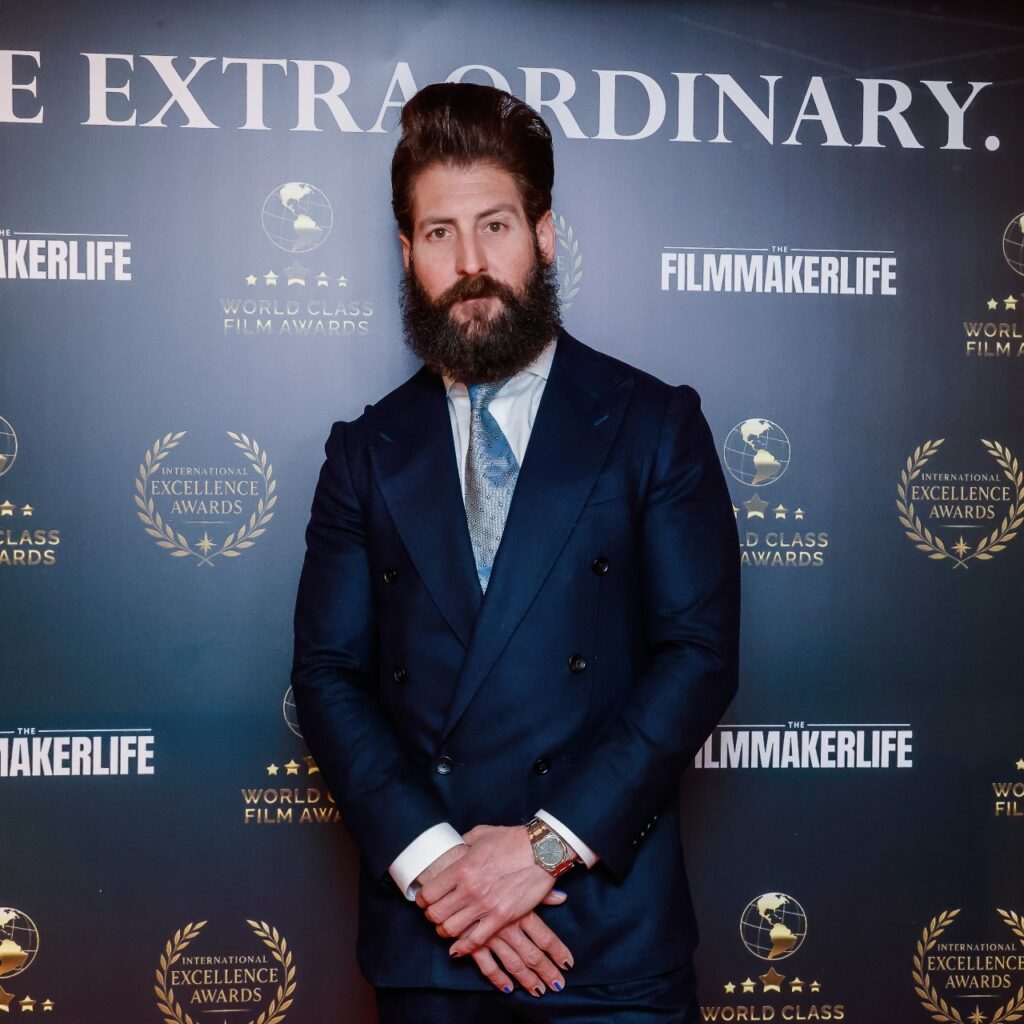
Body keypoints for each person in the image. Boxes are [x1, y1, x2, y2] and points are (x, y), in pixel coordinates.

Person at [291, 81, 740, 1024]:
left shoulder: (654, 424)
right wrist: (444, 870)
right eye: (439, 233)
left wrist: (542, 849)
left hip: (606, 936)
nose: (471, 264)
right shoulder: (363, 453)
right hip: (435, 938)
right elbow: (327, 678)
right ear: (407, 253)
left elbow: (698, 657)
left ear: (543, 234)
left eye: (494, 226)